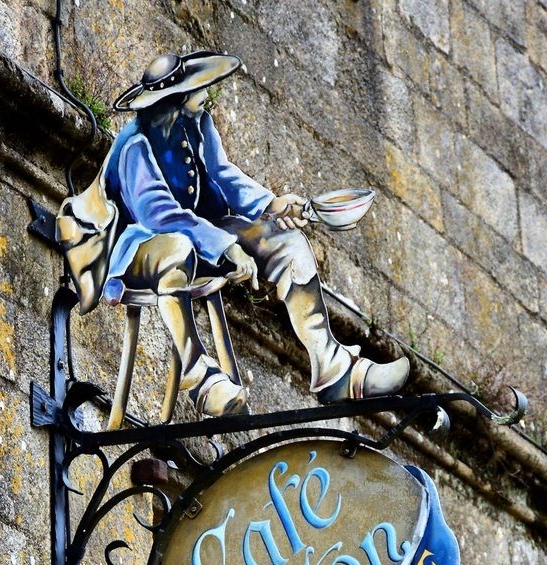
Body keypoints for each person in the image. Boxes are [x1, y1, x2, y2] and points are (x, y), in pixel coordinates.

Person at [58, 50, 409, 418]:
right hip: (137, 249)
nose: (207, 92)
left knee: (286, 242)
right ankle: (201, 380)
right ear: (176, 99)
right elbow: (159, 214)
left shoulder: (196, 122)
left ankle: (337, 372)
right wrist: (226, 248)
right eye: (198, 87)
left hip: (201, 236)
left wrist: (272, 205)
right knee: (176, 247)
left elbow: (224, 174)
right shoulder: (134, 146)